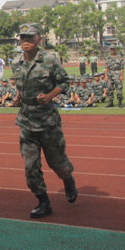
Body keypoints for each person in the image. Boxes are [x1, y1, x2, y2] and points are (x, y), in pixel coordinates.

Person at [12, 23, 77, 219]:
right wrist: (17, 97)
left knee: (57, 162)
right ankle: (43, 201)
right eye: (23, 38)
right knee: (30, 166)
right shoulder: (16, 62)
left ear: (39, 39)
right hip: (26, 121)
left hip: (48, 122)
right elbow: (21, 84)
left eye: (30, 38)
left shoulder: (49, 59)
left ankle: (68, 179)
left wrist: (49, 96)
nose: (26, 42)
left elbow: (64, 82)